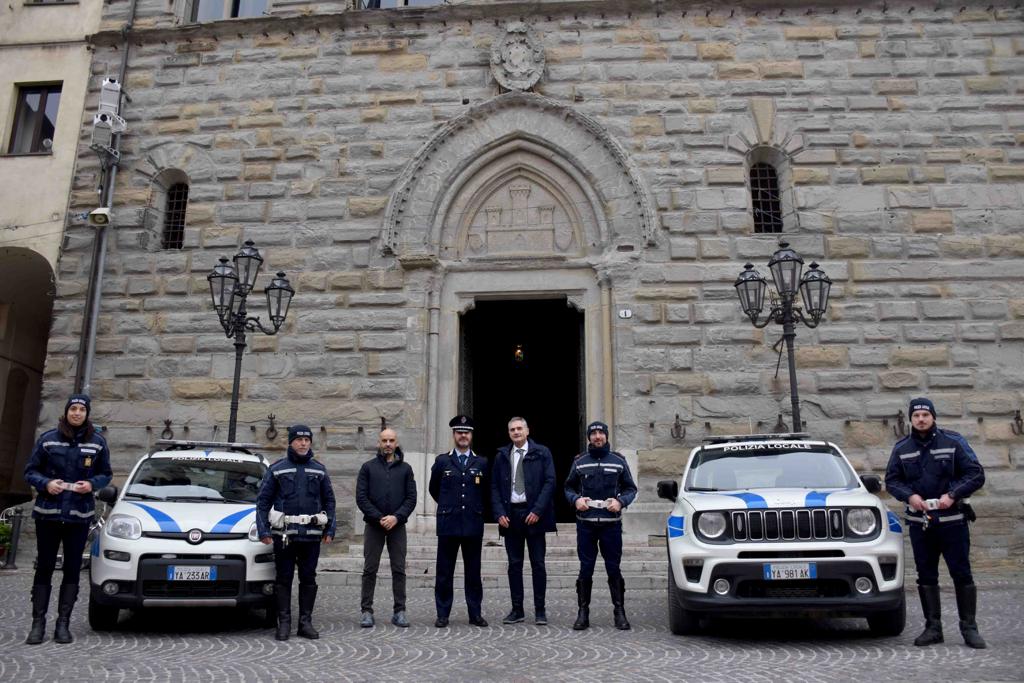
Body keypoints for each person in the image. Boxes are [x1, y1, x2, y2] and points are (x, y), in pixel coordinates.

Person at [885, 397, 987, 648]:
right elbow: (892, 481)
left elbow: (976, 473)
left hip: (953, 523)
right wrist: (910, 496)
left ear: (933, 417)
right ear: (910, 419)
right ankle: (933, 628)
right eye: (916, 416)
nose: (921, 419)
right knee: (926, 577)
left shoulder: (953, 442)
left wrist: (952, 495)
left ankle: (969, 628)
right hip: (921, 525)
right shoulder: (902, 448)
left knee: (962, 575)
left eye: (925, 415)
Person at [22, 393, 112, 645]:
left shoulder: (96, 443)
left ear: (87, 414)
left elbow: (105, 473)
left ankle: (63, 624)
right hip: (48, 514)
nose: (76, 413)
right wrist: (46, 483)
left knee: (72, 570)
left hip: (78, 516)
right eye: (73, 409)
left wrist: (91, 484)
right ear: (66, 411)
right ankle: (38, 624)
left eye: (81, 410)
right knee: (45, 568)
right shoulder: (49, 440)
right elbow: (30, 471)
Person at [256, 425, 336, 641]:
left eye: (307, 440)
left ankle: (305, 623)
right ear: (291, 442)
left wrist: (330, 529)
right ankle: (284, 624)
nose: (303, 443)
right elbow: (263, 501)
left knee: (309, 579)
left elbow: (329, 500)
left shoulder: (319, 470)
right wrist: (263, 529)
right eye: (299, 440)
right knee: (283, 579)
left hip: (311, 536)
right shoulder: (277, 468)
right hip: (285, 535)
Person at [563, 420, 637, 631]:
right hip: (585, 525)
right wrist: (575, 499)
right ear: (588, 437)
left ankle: (619, 611)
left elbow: (631, 488)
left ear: (606, 436)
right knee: (585, 569)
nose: (597, 437)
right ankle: (583, 612)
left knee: (613, 568)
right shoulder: (579, 462)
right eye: (593, 433)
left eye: (600, 433)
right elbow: (568, 487)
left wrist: (621, 501)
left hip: (611, 525)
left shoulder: (618, 461)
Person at [491, 417, 556, 625]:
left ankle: (540, 610)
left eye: (520, 428)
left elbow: (550, 482)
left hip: (534, 515)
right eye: (512, 429)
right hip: (511, 516)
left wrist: (538, 510)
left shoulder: (542, 452)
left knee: (538, 564)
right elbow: (493, 486)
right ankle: (517, 609)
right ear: (508, 433)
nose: (516, 432)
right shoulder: (502, 455)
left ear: (527, 431)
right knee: (514, 565)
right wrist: (499, 512)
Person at [428, 415, 488, 628]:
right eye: (459, 432)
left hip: (472, 524)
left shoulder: (481, 462)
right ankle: (443, 613)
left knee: (473, 573)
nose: (463, 435)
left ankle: (475, 613)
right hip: (448, 524)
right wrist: (448, 505)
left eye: (467, 432)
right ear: (454, 434)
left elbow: (486, 492)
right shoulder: (442, 461)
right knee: (444, 572)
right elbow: (434, 489)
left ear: (471, 436)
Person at [355, 427, 416, 628]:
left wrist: (397, 517)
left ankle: (400, 611)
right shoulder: (367, 468)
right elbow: (361, 497)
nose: (388, 444)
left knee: (399, 569)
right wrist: (380, 517)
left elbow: (411, 498)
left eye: (391, 440)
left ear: (396, 443)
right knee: (369, 569)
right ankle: (366, 611)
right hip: (374, 526)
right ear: (379, 443)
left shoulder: (405, 469)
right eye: (384, 440)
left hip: (397, 527)